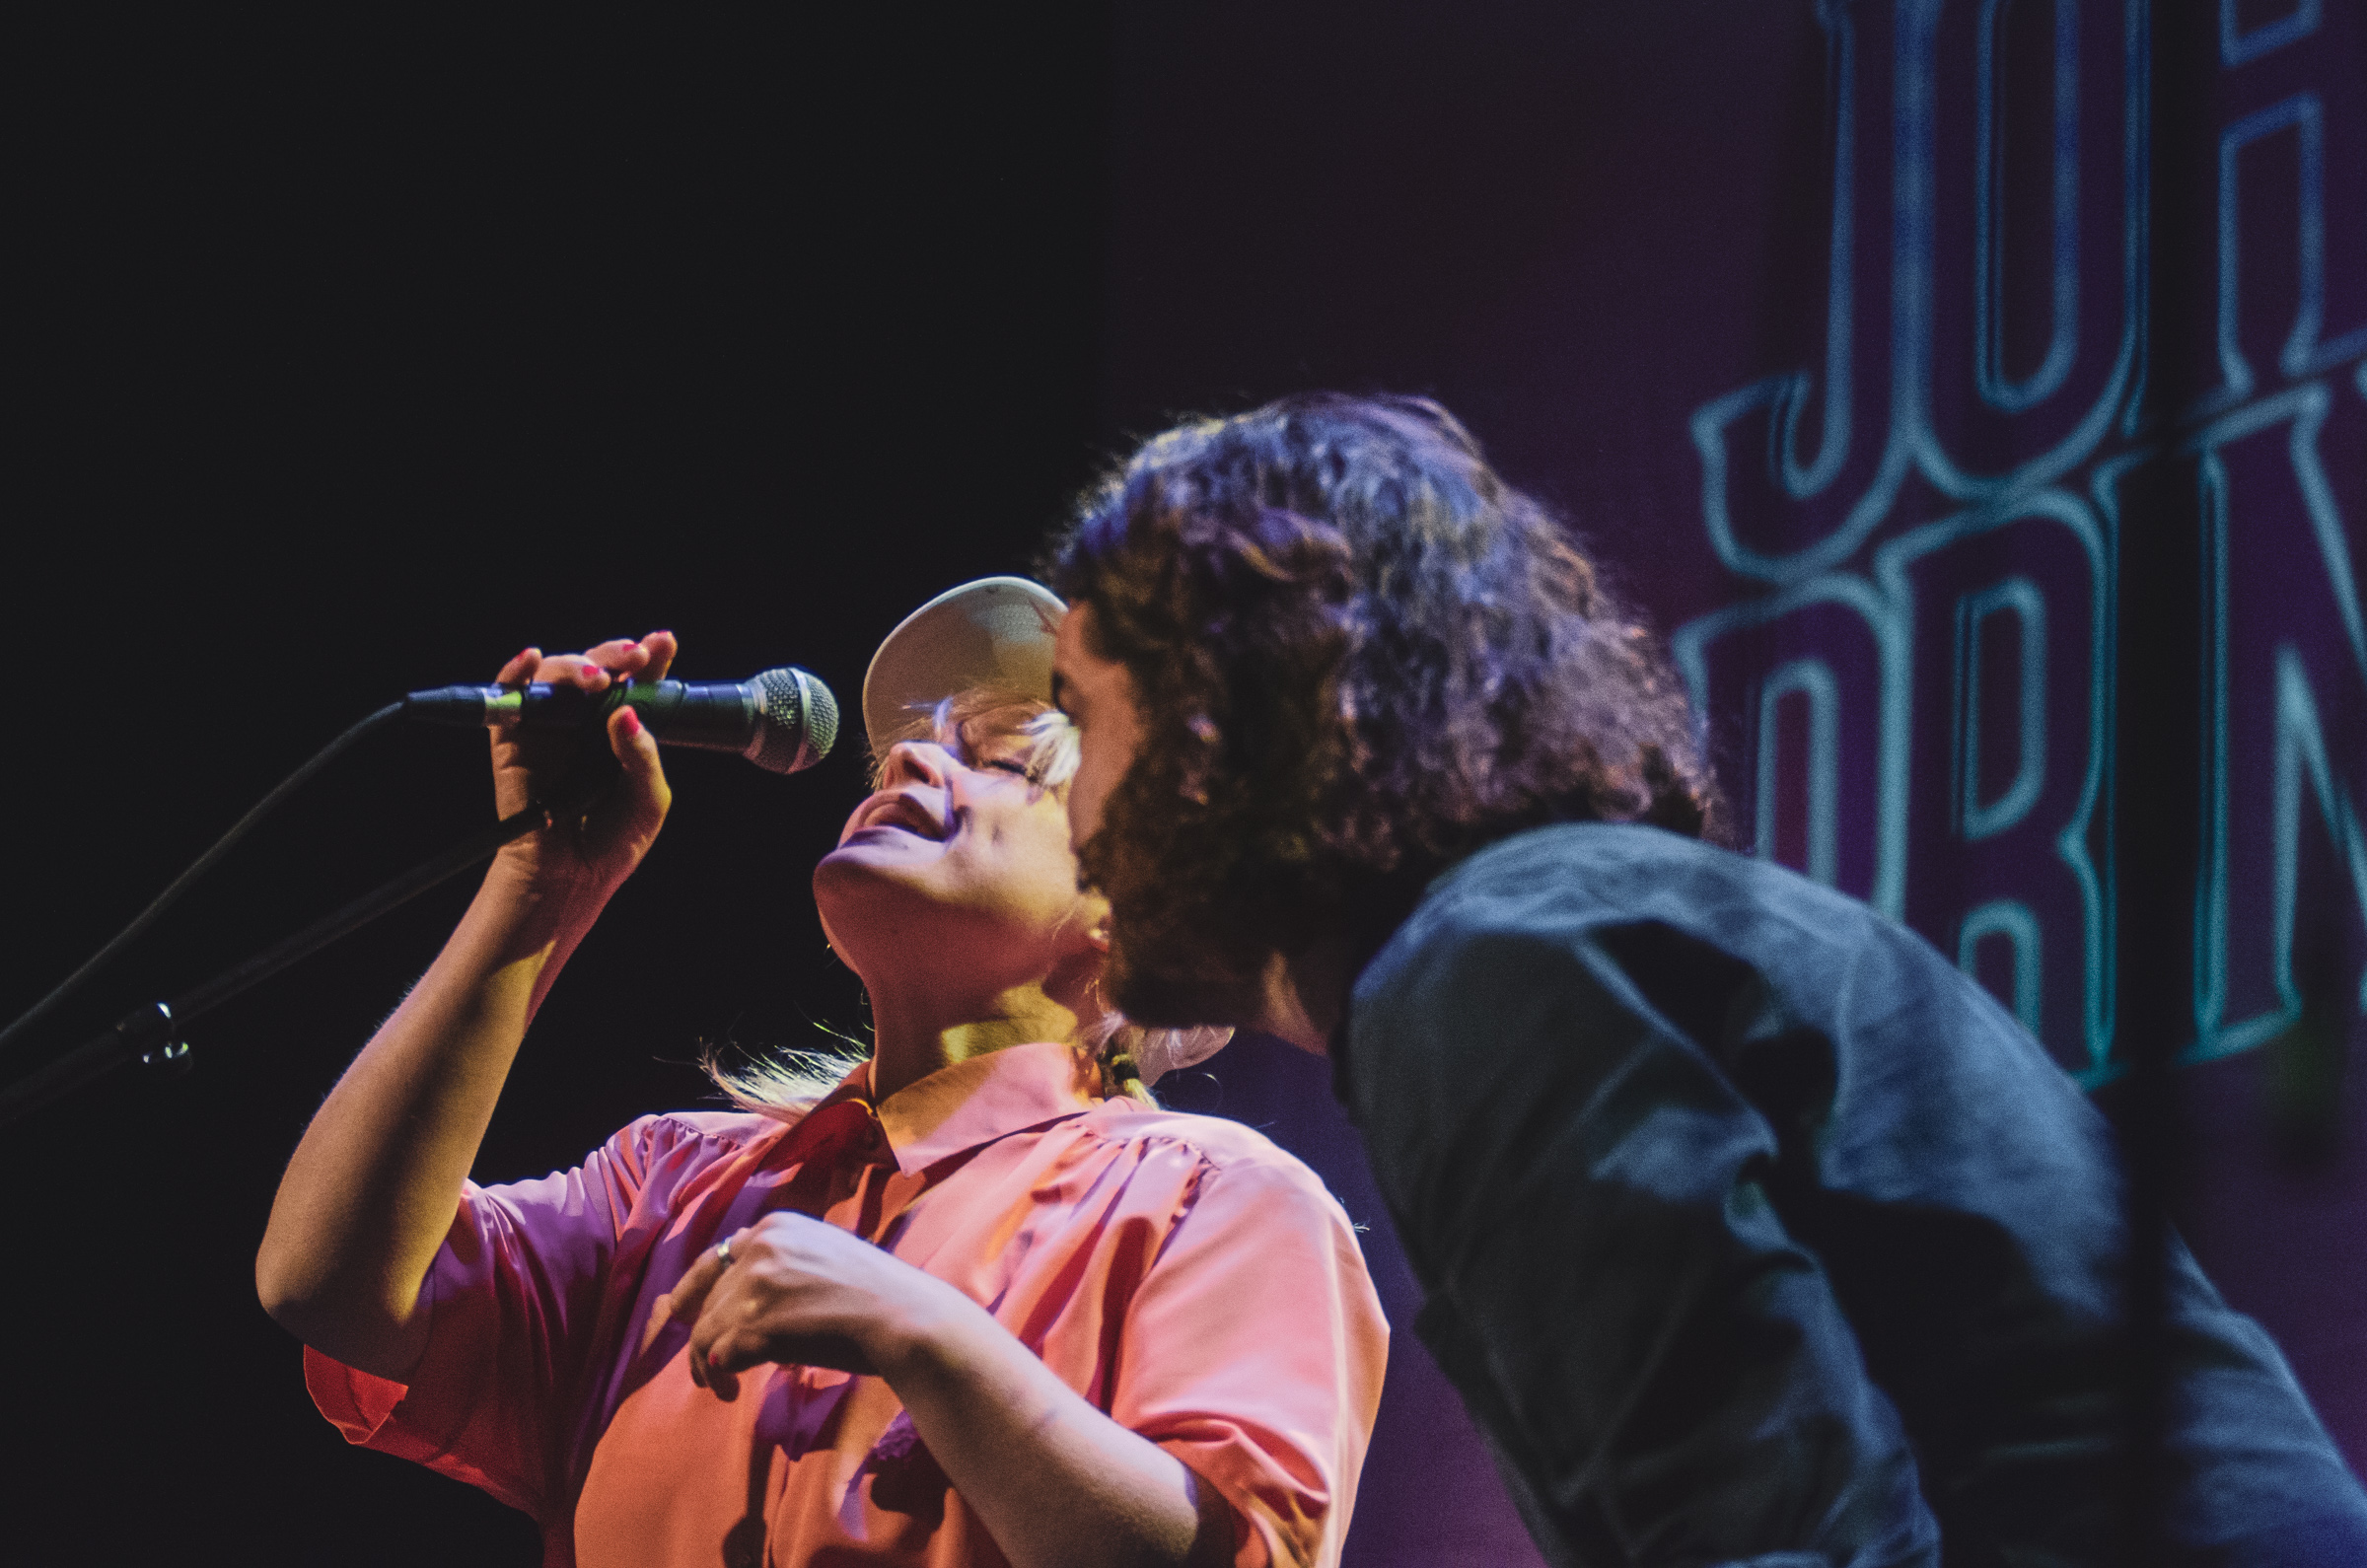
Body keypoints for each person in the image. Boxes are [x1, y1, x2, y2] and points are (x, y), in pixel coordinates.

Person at [1040, 392, 2367, 1566]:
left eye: (1083, 717)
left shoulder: (1491, 967)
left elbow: (1769, 1539)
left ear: (1221, 721)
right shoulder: (1549, 930)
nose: (1073, 804)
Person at [255, 580, 1388, 1568]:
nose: (904, 756)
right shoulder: (670, 1184)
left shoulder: (1214, 1200)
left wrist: (925, 1337)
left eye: (998, 760)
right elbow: (328, 1283)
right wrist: (539, 880)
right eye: (909, 744)